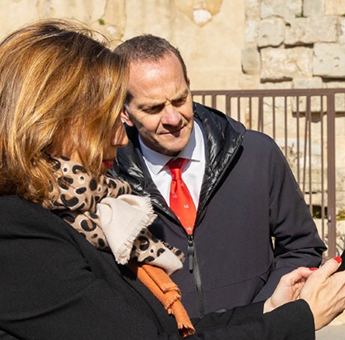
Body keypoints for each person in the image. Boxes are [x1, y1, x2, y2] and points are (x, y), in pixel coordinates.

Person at [0, 20, 345, 340]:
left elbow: (159, 334)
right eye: (110, 117)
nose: (118, 135)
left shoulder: (77, 211)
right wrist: (299, 322)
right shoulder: (9, 231)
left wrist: (271, 309)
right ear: (56, 120)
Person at [112, 35, 326, 325]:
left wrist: (263, 316)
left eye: (180, 99)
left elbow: (303, 247)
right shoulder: (109, 181)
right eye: (153, 108)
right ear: (125, 113)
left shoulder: (256, 154)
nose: (173, 118)